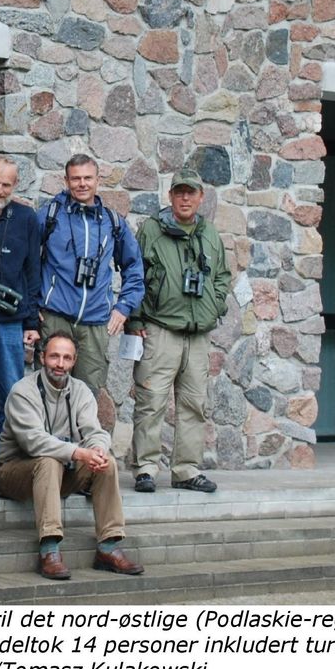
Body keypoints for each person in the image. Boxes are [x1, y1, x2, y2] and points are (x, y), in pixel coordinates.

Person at [0, 333, 144, 580]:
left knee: (107, 464)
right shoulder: (23, 391)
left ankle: (108, 547)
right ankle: (49, 550)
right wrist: (79, 452)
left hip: (61, 472)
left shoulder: (80, 390)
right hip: (14, 473)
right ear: (42, 358)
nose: (60, 364)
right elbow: (34, 442)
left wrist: (97, 451)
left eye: (66, 358)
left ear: (74, 361)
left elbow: (95, 431)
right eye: (54, 356)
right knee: (48, 460)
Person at [130, 168, 232, 494]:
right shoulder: (151, 230)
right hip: (160, 330)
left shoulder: (210, 234)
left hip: (198, 334)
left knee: (194, 405)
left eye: (191, 192)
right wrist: (134, 321)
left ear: (201, 197)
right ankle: (146, 468)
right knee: (151, 400)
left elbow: (221, 277)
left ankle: (186, 470)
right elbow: (136, 276)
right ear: (170, 196)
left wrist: (215, 306)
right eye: (179, 192)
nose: (185, 198)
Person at [37, 154, 144, 397]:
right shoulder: (50, 215)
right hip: (55, 318)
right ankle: (46, 437)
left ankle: (80, 437)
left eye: (87, 178)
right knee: (48, 391)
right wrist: (31, 304)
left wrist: (124, 306)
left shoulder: (112, 222)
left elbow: (134, 268)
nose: (82, 184)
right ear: (66, 180)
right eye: (75, 179)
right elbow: (27, 262)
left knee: (86, 396)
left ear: (98, 180)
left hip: (95, 323)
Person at [0, 155, 41, 454]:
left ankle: (5, 463)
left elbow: (33, 271)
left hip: (11, 322)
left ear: (15, 185)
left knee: (12, 393)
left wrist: (32, 322)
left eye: (6, 184)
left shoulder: (27, 218)